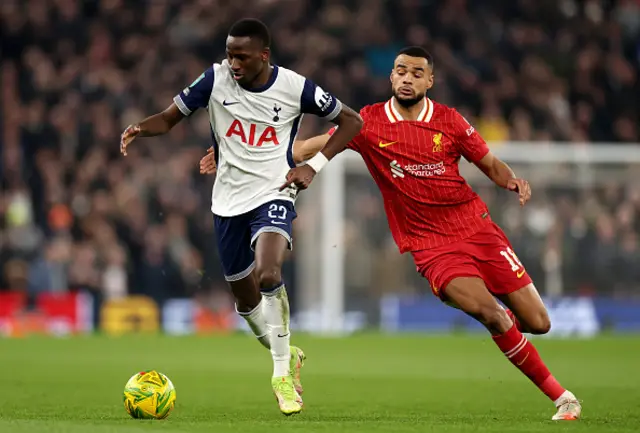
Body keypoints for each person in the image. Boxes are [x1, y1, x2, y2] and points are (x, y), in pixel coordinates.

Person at [201, 45, 581, 421]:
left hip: (478, 230)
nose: (407, 78)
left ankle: (487, 318)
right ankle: (563, 398)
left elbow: (490, 163)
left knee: (537, 323)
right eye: (401, 71)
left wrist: (512, 181)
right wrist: (236, 152)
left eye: (417, 73)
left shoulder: (449, 121)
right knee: (493, 315)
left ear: (430, 80)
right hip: (431, 246)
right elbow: (306, 147)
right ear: (391, 76)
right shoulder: (369, 122)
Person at [121, 18, 363, 415]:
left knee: (269, 274)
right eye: (229, 54)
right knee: (245, 301)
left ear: (263, 56)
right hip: (228, 203)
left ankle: (281, 374)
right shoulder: (214, 80)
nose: (232, 62)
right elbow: (168, 118)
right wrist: (139, 129)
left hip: (275, 191)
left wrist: (314, 166)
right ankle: (287, 351)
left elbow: (352, 121)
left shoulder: (294, 87)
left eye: (241, 56)